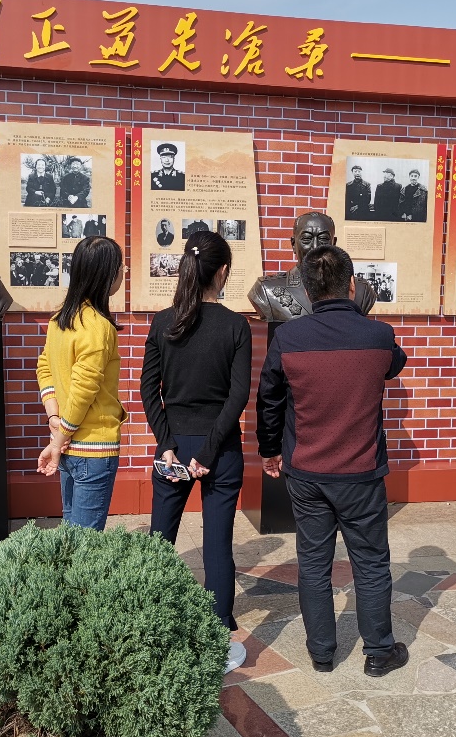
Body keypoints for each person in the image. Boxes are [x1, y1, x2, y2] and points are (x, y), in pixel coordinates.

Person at [256, 245, 409, 677]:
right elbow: (394, 365)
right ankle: (378, 651)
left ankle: (322, 653)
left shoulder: (288, 339)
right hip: (361, 472)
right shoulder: (378, 335)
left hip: (306, 470)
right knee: (371, 562)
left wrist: (269, 450)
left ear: (306, 290)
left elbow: (268, 399)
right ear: (353, 285)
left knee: (313, 563)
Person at [140, 231, 252, 673]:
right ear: (222, 272)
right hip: (219, 450)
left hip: (173, 448)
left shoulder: (163, 322)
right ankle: (217, 641)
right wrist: (206, 451)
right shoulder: (235, 326)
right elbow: (238, 396)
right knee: (217, 547)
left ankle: (149, 633)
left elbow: (149, 390)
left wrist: (166, 443)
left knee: (158, 543)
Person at [36, 236, 127, 529]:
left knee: (72, 536)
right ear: (107, 275)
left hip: (66, 445)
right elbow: (83, 391)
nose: (123, 273)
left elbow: (44, 368)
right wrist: (59, 438)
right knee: (86, 542)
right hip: (93, 446)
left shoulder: (59, 320)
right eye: (121, 267)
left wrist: (54, 420)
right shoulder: (98, 327)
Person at [248, 211, 377, 321]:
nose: (315, 246)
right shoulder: (266, 289)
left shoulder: (361, 290)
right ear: (293, 244)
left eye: (323, 239)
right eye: (306, 239)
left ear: (334, 243)